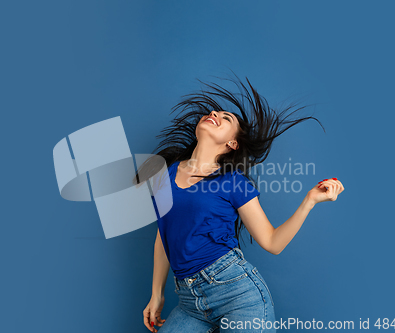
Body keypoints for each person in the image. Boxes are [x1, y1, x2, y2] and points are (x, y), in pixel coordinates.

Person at [138, 73, 345, 332]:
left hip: (238, 295)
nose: (215, 113)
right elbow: (164, 235)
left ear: (232, 143)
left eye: (226, 118)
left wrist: (309, 201)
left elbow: (272, 243)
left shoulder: (233, 182)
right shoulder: (166, 174)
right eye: (214, 112)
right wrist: (156, 293)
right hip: (190, 301)